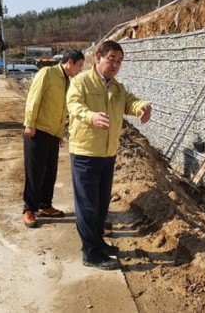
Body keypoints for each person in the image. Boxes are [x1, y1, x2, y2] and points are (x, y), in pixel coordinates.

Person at [66, 40, 152, 270]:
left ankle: (99, 243)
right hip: (85, 152)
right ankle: (91, 253)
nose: (115, 64)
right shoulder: (81, 82)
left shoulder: (116, 87)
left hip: (108, 153)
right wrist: (90, 116)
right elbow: (73, 106)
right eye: (111, 58)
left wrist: (141, 106)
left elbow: (129, 102)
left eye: (119, 61)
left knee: (101, 203)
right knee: (86, 205)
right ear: (98, 58)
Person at [22, 49, 85, 228]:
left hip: (52, 133)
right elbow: (33, 98)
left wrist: (59, 133)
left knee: (50, 171)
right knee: (35, 171)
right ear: (70, 62)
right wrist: (30, 123)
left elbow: (62, 109)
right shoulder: (47, 73)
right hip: (37, 129)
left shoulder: (67, 81)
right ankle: (29, 209)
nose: (79, 70)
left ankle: (45, 205)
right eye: (79, 65)